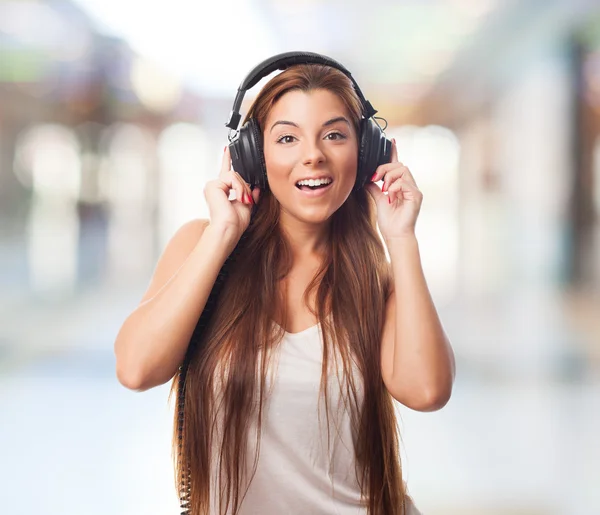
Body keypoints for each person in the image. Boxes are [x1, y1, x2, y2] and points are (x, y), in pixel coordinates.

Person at [114, 55, 455, 515]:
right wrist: (222, 234)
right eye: (287, 138)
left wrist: (401, 237)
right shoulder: (202, 245)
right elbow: (136, 369)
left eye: (334, 135)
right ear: (253, 155)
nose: (312, 154)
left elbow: (427, 391)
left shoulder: (378, 278)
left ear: (367, 151)